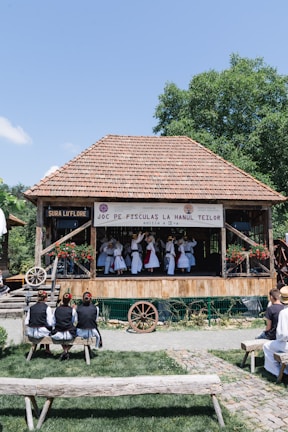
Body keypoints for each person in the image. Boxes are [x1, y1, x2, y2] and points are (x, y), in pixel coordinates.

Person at [263, 286, 288, 377]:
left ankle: (277, 372)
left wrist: (279, 339)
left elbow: (284, 334)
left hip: (286, 343)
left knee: (267, 346)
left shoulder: (284, 312)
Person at [25, 289, 54, 355]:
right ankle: (47, 349)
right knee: (49, 328)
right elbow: (50, 322)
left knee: (46, 328)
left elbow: (26, 322)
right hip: (42, 332)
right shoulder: (47, 308)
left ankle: (37, 348)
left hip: (31, 332)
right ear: (45, 299)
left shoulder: (31, 308)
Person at [51, 292, 77, 361]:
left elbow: (53, 322)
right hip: (69, 334)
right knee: (77, 335)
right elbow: (74, 321)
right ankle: (65, 351)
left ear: (62, 299)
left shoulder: (56, 309)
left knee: (60, 337)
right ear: (70, 300)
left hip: (57, 334)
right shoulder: (72, 310)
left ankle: (65, 351)